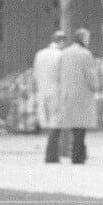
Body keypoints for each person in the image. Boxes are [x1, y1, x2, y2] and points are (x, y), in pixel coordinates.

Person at [58, 27, 98, 164]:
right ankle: (78, 154)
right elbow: (90, 75)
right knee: (81, 126)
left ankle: (79, 152)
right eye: (87, 38)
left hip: (68, 92)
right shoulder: (85, 54)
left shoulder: (65, 53)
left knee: (75, 125)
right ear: (83, 39)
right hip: (82, 93)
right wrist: (94, 87)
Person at [33, 30, 66, 163]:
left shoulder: (40, 54)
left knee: (47, 122)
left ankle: (51, 154)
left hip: (42, 91)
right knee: (56, 123)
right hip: (55, 91)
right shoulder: (60, 55)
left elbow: (35, 74)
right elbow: (62, 75)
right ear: (61, 41)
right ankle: (52, 154)